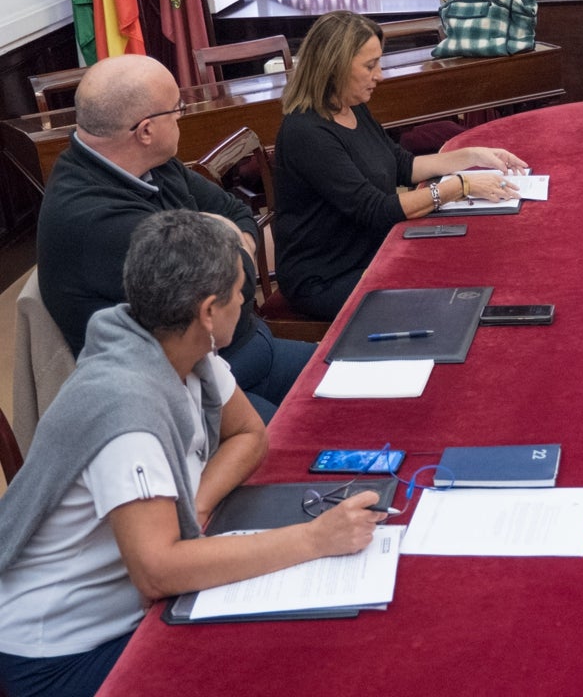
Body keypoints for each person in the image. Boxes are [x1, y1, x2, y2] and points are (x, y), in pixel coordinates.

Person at [0, 211, 384, 697]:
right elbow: (159, 571)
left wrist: (196, 504)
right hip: (61, 655)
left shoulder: (179, 349)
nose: (246, 300)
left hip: (124, 607)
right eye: (240, 290)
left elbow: (249, 434)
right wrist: (313, 539)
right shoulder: (125, 411)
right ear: (207, 311)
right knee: (276, 662)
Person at [36, 54, 314, 423]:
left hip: (243, 350)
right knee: (306, 445)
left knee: (358, 386)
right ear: (146, 130)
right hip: (182, 397)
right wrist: (234, 251)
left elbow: (236, 212)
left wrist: (227, 238)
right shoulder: (92, 220)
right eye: (177, 109)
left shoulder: (151, 160)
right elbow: (233, 289)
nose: (182, 116)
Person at [273, 10, 528, 320]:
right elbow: (377, 210)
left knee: (465, 261)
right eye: (370, 66)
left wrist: (473, 156)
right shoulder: (307, 133)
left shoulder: (351, 106)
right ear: (334, 68)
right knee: (450, 294)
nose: (379, 75)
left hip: (370, 252)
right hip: (327, 277)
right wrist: (460, 187)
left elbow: (401, 164)